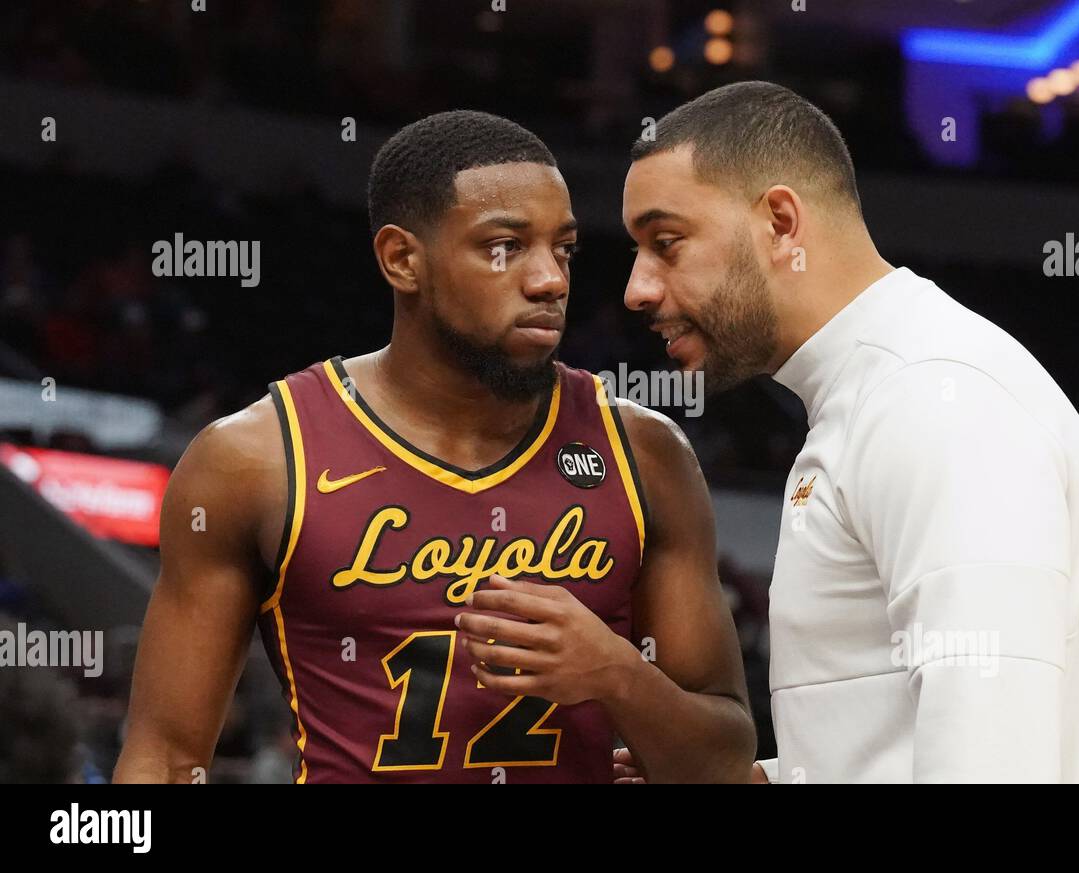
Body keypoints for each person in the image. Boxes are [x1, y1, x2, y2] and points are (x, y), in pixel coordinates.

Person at [115, 111, 754, 784]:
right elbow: (162, 758)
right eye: (505, 246)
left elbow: (723, 763)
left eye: (563, 249)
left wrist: (621, 675)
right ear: (402, 259)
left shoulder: (646, 453)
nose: (550, 281)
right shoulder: (255, 459)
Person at [616, 81, 1079, 783]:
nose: (636, 289)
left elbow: (991, 763)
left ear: (781, 223)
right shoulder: (877, 389)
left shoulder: (932, 394)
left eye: (666, 243)